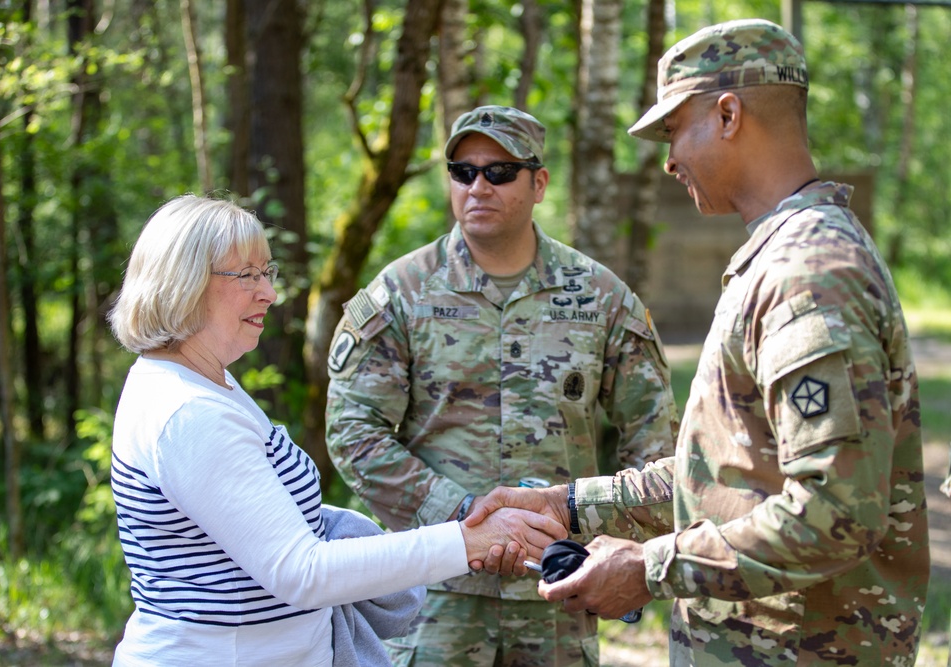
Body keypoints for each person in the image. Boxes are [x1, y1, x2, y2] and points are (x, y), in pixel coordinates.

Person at [468, 18, 931, 665]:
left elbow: (835, 511)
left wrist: (651, 567)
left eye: (673, 129)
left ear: (729, 114)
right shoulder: (780, 260)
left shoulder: (809, 272)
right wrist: (567, 503)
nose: (668, 159)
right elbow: (719, 476)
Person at [106, 194, 566, 667]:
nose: (268, 293)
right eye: (246, 275)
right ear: (183, 283)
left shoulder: (204, 381)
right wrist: (467, 541)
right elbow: (302, 572)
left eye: (268, 273)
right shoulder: (189, 413)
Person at [324, 105, 679, 666]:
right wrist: (460, 514)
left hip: (558, 590)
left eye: (499, 172)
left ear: (538, 182)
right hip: (435, 590)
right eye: (462, 172)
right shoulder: (401, 295)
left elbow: (654, 441)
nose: (477, 187)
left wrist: (603, 534)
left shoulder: (600, 298)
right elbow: (353, 433)